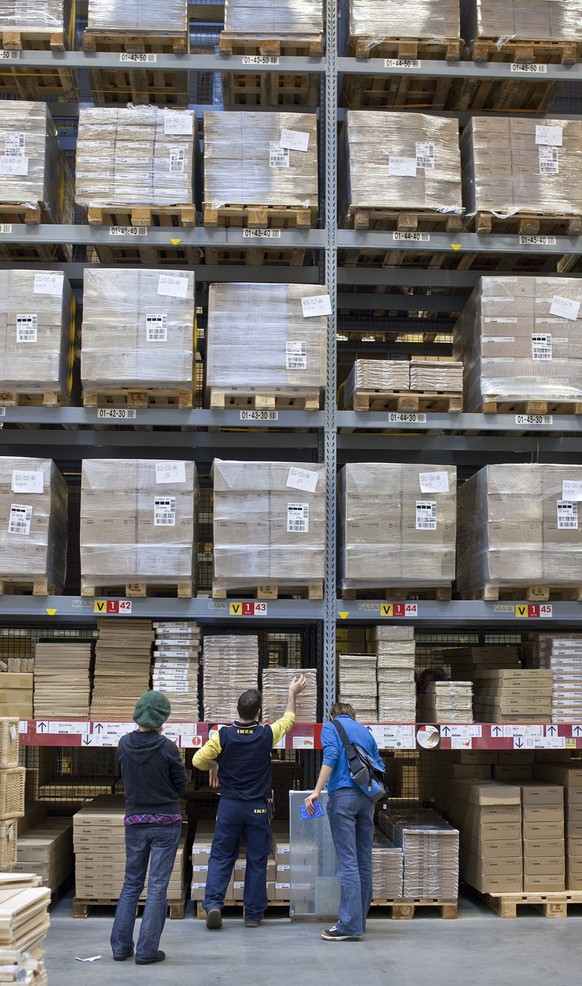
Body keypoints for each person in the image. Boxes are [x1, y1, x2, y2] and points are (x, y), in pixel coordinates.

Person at [193, 673, 307, 929]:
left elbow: (196, 761)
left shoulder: (223, 736)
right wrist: (292, 694)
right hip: (257, 807)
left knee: (221, 856)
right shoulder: (266, 734)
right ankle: (253, 915)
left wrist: (214, 764)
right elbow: (288, 720)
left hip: (230, 806)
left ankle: (213, 904)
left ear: (237, 709)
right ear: (258, 712)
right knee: (257, 859)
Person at [110, 690, 188, 965]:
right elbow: (181, 786)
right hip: (165, 823)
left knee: (131, 884)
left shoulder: (123, 744)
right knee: (157, 887)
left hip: (134, 822)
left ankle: (120, 948)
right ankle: (146, 951)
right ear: (162, 719)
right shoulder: (167, 748)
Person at [304, 700, 385, 942]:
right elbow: (380, 766)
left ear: (332, 715)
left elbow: (330, 756)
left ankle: (349, 925)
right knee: (363, 861)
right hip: (367, 799)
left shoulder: (331, 727)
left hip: (343, 797)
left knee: (348, 862)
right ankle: (358, 920)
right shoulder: (365, 731)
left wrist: (317, 790)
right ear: (353, 714)